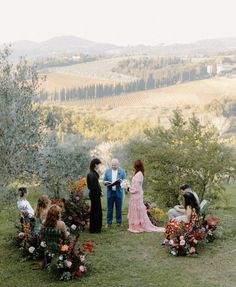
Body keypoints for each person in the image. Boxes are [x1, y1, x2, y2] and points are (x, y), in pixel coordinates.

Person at [128, 160, 165, 233]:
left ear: (136, 166)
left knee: (137, 210)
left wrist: (128, 189)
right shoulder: (138, 173)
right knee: (136, 210)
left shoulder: (139, 174)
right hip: (135, 195)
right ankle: (136, 225)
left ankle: (138, 225)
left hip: (137, 195)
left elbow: (136, 188)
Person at [103, 159, 126, 227]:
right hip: (110, 192)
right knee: (109, 208)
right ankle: (109, 222)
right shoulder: (107, 171)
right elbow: (104, 181)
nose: (113, 166)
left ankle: (119, 222)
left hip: (119, 192)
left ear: (118, 165)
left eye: (115, 165)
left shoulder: (122, 171)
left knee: (118, 207)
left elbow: (125, 181)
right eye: (112, 165)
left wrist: (121, 182)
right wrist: (106, 183)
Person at [87, 158, 103, 233]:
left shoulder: (92, 173)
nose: (99, 166)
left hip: (94, 194)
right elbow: (94, 186)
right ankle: (95, 228)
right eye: (99, 164)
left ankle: (94, 228)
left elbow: (96, 185)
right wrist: (100, 192)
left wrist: (100, 191)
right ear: (95, 164)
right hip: (94, 195)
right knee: (96, 211)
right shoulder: (92, 174)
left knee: (95, 211)